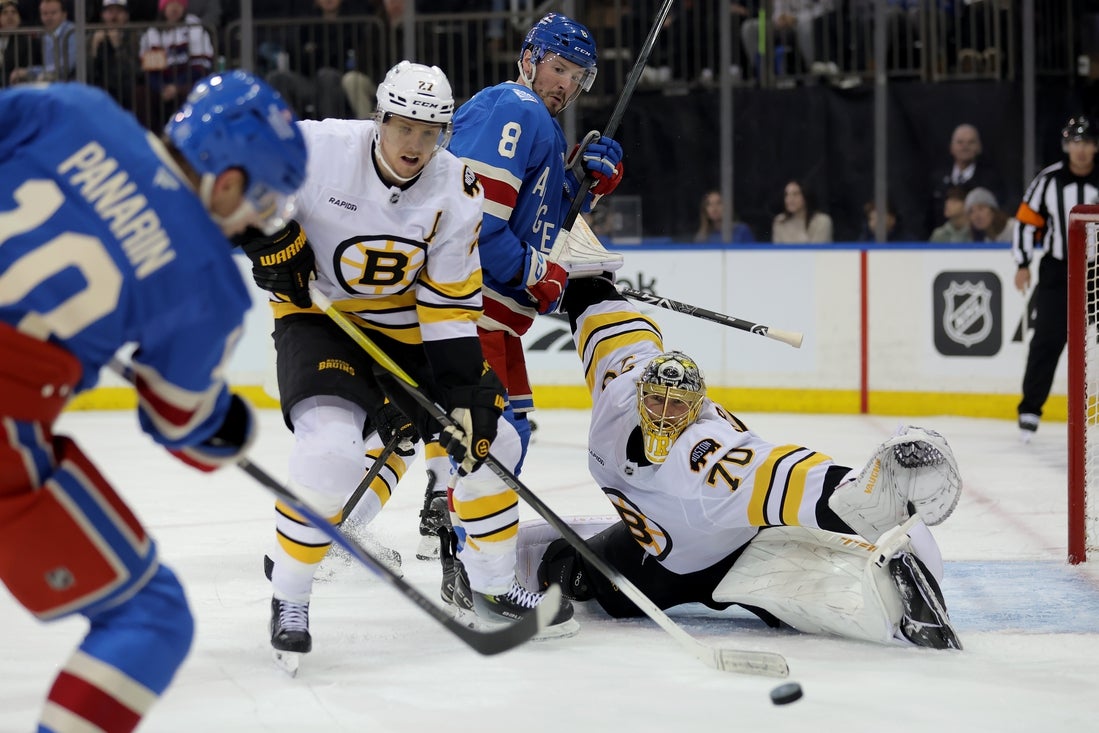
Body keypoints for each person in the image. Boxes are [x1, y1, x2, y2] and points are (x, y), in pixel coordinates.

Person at [237, 60, 579, 673]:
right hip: (321, 323)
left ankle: (492, 587)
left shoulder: (456, 187)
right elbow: (239, 182)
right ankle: (290, 598)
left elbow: (447, 305)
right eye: (403, 127)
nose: (415, 144)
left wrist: (463, 388)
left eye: (430, 131)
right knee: (331, 451)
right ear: (380, 119)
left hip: (408, 333)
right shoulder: (319, 149)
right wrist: (269, 240)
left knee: (493, 438)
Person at [0, 70, 307, 732]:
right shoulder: (211, 285)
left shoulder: (75, 106)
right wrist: (228, 427)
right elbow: (177, 422)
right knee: (152, 617)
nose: (255, 221)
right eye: (262, 202)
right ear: (227, 180)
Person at [517, 273, 964, 650]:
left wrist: (873, 496)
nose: (664, 413)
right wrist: (578, 280)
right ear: (639, 393)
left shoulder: (707, 460)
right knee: (574, 577)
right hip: (658, 557)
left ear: (697, 409)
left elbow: (792, 476)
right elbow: (602, 312)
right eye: (655, 400)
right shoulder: (620, 388)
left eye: (678, 406)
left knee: (797, 604)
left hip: (737, 551)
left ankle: (891, 605)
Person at [414, 13, 625, 562]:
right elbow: (476, 224)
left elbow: (538, 221)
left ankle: (461, 541)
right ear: (529, 60)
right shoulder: (516, 106)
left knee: (509, 434)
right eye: (558, 68)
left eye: (577, 77)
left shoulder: (539, 126)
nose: (566, 84)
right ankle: (470, 561)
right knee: (494, 440)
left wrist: (584, 184)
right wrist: (538, 273)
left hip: (491, 315)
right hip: (467, 308)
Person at [1013, 116, 1099, 442]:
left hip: (1098, 270)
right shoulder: (1048, 180)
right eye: (1075, 143)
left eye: (1087, 142)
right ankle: (1030, 410)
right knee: (1047, 340)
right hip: (1058, 272)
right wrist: (1023, 263)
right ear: (1066, 146)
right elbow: (1026, 222)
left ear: (1095, 147)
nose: (1081, 150)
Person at [266, 0, 376, 121]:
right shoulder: (307, 23)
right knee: (278, 77)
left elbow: (342, 56)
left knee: (326, 75)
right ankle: (288, 128)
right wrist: (323, 52)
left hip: (339, 80)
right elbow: (297, 56)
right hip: (308, 81)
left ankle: (330, 128)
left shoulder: (352, 22)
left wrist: (315, 51)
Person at [138, 0, 214, 130]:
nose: (174, 8)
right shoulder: (153, 33)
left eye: (178, 4)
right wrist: (162, 87)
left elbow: (200, 66)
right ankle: (152, 138)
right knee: (142, 95)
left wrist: (176, 87)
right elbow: (150, 71)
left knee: (196, 92)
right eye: (170, 3)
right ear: (163, 8)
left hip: (187, 82)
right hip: (163, 85)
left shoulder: (194, 26)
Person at [926, 123, 1004, 238]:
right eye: (960, 142)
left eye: (970, 142)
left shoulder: (990, 180)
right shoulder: (937, 178)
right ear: (951, 147)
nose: (965, 147)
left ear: (979, 147)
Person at [7, 0, 75, 84]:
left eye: (53, 13)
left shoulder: (72, 32)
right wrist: (26, 72)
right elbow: (48, 67)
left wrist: (32, 72)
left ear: (64, 15)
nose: (49, 17)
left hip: (71, 82)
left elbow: (67, 66)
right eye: (45, 14)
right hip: (52, 81)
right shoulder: (45, 35)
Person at [89, 0, 140, 109]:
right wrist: (93, 49)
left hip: (123, 88)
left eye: (119, 12)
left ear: (126, 15)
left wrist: (118, 47)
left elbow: (134, 70)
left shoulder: (133, 36)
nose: (114, 16)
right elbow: (87, 71)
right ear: (103, 15)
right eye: (110, 12)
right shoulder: (93, 35)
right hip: (100, 87)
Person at [771, 179, 832, 243]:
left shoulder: (822, 221)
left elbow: (817, 249)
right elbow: (777, 248)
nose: (790, 199)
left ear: (806, 196)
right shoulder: (779, 221)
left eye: (795, 194)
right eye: (786, 194)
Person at [1, 0, 38, 89]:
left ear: (19, 18)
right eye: (5, 13)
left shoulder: (27, 41)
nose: (10, 16)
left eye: (14, 12)